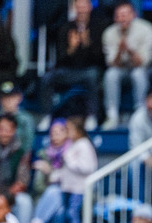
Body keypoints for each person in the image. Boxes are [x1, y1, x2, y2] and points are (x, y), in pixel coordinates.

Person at [38, 0, 106, 132]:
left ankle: (91, 116)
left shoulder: (99, 26)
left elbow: (100, 60)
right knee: (47, 77)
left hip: (89, 70)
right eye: (78, 7)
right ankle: (46, 115)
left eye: (84, 6)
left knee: (93, 76)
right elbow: (59, 60)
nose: (81, 10)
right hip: (68, 71)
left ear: (90, 7)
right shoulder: (66, 28)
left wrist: (87, 44)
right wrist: (71, 49)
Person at [102, 1, 152, 129]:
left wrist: (131, 51)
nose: (123, 18)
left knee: (138, 74)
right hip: (121, 68)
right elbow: (111, 64)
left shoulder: (147, 29)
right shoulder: (109, 33)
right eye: (119, 15)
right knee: (111, 74)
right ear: (115, 18)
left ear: (134, 15)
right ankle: (112, 115)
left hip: (143, 68)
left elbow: (143, 62)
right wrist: (120, 52)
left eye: (126, 14)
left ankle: (140, 113)